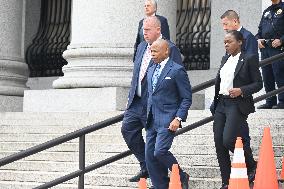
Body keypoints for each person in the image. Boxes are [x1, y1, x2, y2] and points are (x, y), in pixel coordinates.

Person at [121, 16, 182, 183]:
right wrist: (130, 97)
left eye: (147, 30)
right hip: (137, 102)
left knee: (155, 147)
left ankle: (163, 178)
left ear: (158, 30)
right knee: (128, 130)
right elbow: (136, 75)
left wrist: (175, 112)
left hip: (156, 105)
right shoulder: (141, 47)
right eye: (143, 30)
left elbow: (176, 76)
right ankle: (145, 166)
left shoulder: (170, 48)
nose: (144, 33)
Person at [211, 31, 263, 189]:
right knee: (219, 144)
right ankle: (226, 182)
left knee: (228, 140)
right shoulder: (224, 58)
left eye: (229, 42)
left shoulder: (249, 58)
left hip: (237, 103)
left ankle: (251, 164)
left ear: (240, 42)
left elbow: (258, 84)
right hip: (221, 104)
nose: (226, 45)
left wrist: (241, 90)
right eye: (224, 42)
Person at [145, 39, 192, 189]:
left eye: (155, 51)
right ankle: (160, 185)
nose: (152, 54)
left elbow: (186, 97)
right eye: (151, 51)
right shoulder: (151, 69)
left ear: (166, 51)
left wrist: (178, 118)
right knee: (149, 155)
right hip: (151, 119)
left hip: (168, 118)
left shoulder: (177, 70)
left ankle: (181, 175)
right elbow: (150, 95)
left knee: (160, 151)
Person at [256, 0, 284, 109]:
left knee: (280, 74)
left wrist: (281, 40)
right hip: (265, 48)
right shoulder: (267, 11)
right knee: (267, 76)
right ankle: (270, 101)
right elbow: (259, 30)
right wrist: (257, 39)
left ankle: (282, 101)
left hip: (278, 48)